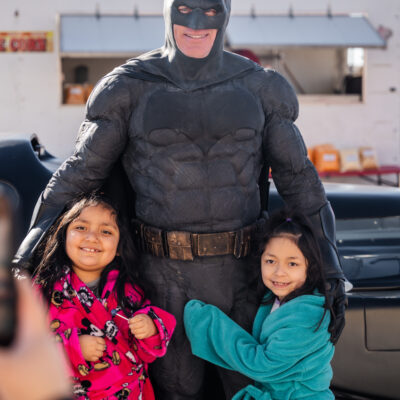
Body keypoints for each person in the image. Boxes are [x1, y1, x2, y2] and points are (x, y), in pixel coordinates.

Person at [14, 0, 346, 398]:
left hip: (242, 275)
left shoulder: (261, 87)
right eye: (186, 7)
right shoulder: (128, 87)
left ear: (226, 12)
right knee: (176, 392)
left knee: (254, 392)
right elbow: (77, 176)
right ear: (167, 9)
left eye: (209, 10)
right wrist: (22, 262)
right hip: (163, 280)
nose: (196, 22)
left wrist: (331, 270)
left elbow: (300, 182)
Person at [33, 193, 176, 399]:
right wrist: (74, 346)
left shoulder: (129, 290)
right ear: (63, 235)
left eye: (106, 231)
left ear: (119, 248)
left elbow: (148, 352)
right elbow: (27, 349)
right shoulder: (43, 289)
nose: (92, 237)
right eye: (81, 227)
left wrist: (150, 328)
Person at [184, 210, 335, 399]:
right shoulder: (275, 299)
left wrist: (206, 322)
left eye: (292, 264)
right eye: (271, 261)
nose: (279, 272)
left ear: (309, 266)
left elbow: (263, 364)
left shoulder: (308, 315)